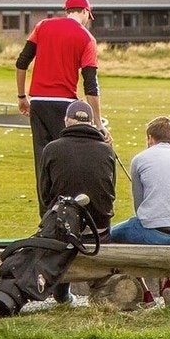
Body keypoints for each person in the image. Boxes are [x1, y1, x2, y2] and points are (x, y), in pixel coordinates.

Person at [15, 0, 103, 214]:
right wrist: (98, 122)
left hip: (38, 103)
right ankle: (67, 213)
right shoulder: (87, 38)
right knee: (67, 159)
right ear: (85, 12)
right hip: (65, 105)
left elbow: (22, 62)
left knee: (43, 159)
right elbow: (90, 85)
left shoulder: (43, 26)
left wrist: (22, 96)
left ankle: (46, 215)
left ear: (67, 11)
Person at [37, 100, 116, 303]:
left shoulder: (51, 149)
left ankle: (61, 292)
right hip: (98, 229)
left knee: (58, 224)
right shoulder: (106, 151)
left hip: (63, 229)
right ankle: (99, 288)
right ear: (91, 123)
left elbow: (44, 195)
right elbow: (109, 193)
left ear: (66, 121)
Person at [109, 116, 170, 246]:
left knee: (110, 234)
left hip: (153, 233)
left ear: (150, 138)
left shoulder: (139, 159)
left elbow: (139, 208)